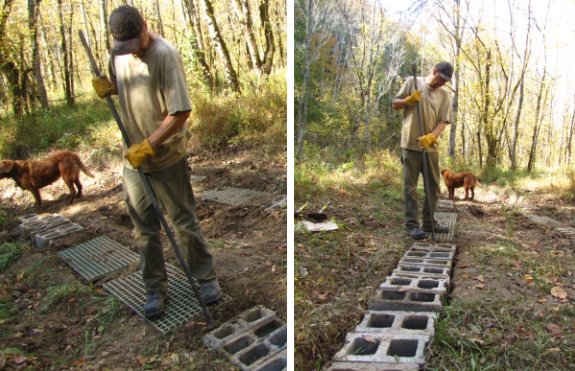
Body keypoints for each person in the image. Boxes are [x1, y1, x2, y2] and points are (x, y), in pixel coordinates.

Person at [91, 5, 221, 318]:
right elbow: (119, 81)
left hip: (166, 157)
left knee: (183, 222)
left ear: (145, 27)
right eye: (125, 47)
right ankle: (155, 288)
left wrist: (148, 145)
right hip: (134, 160)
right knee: (143, 229)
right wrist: (110, 87)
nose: (131, 52)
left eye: (135, 44)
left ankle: (206, 279)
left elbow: (180, 114)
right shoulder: (119, 52)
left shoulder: (165, 56)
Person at [391, 62, 453, 240]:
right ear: (434, 71)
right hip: (410, 145)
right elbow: (395, 104)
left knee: (433, 188)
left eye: (446, 81)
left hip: (430, 148)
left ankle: (429, 223)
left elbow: (444, 121)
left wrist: (431, 137)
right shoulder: (413, 82)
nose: (442, 83)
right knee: (410, 187)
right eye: (441, 79)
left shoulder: (444, 95)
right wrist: (408, 100)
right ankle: (411, 225)